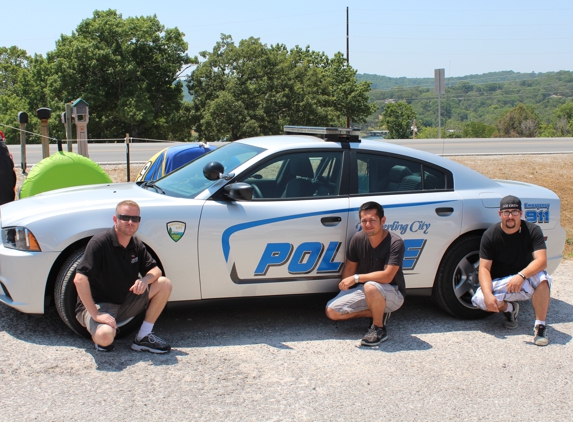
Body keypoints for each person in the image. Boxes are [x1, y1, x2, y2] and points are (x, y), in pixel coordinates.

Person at [74, 200, 173, 353]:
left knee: (164, 283)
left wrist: (144, 280)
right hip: (101, 305)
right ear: (115, 219)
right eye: (125, 218)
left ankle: (143, 337)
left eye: (135, 219)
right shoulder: (99, 243)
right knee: (105, 337)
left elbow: (156, 270)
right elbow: (79, 279)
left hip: (126, 301)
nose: (130, 222)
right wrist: (95, 313)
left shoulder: (136, 244)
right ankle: (103, 333)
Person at [471, 195, 551, 346]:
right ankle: (510, 309)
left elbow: (542, 261)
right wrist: (488, 295)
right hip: (502, 283)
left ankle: (540, 327)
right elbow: (484, 268)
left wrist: (521, 275)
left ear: (521, 214)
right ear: (500, 214)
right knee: (480, 300)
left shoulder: (533, 230)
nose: (510, 216)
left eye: (514, 212)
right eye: (506, 212)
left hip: (524, 280)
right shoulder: (490, 235)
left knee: (542, 279)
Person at [325, 201, 405, 346]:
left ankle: (378, 329)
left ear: (383, 220)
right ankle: (379, 311)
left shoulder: (395, 242)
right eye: (364, 221)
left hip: (393, 291)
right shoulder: (358, 239)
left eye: (372, 220)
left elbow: (387, 276)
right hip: (367, 290)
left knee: (370, 286)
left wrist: (356, 278)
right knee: (332, 311)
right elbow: (350, 268)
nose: (368, 224)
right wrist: (345, 290)